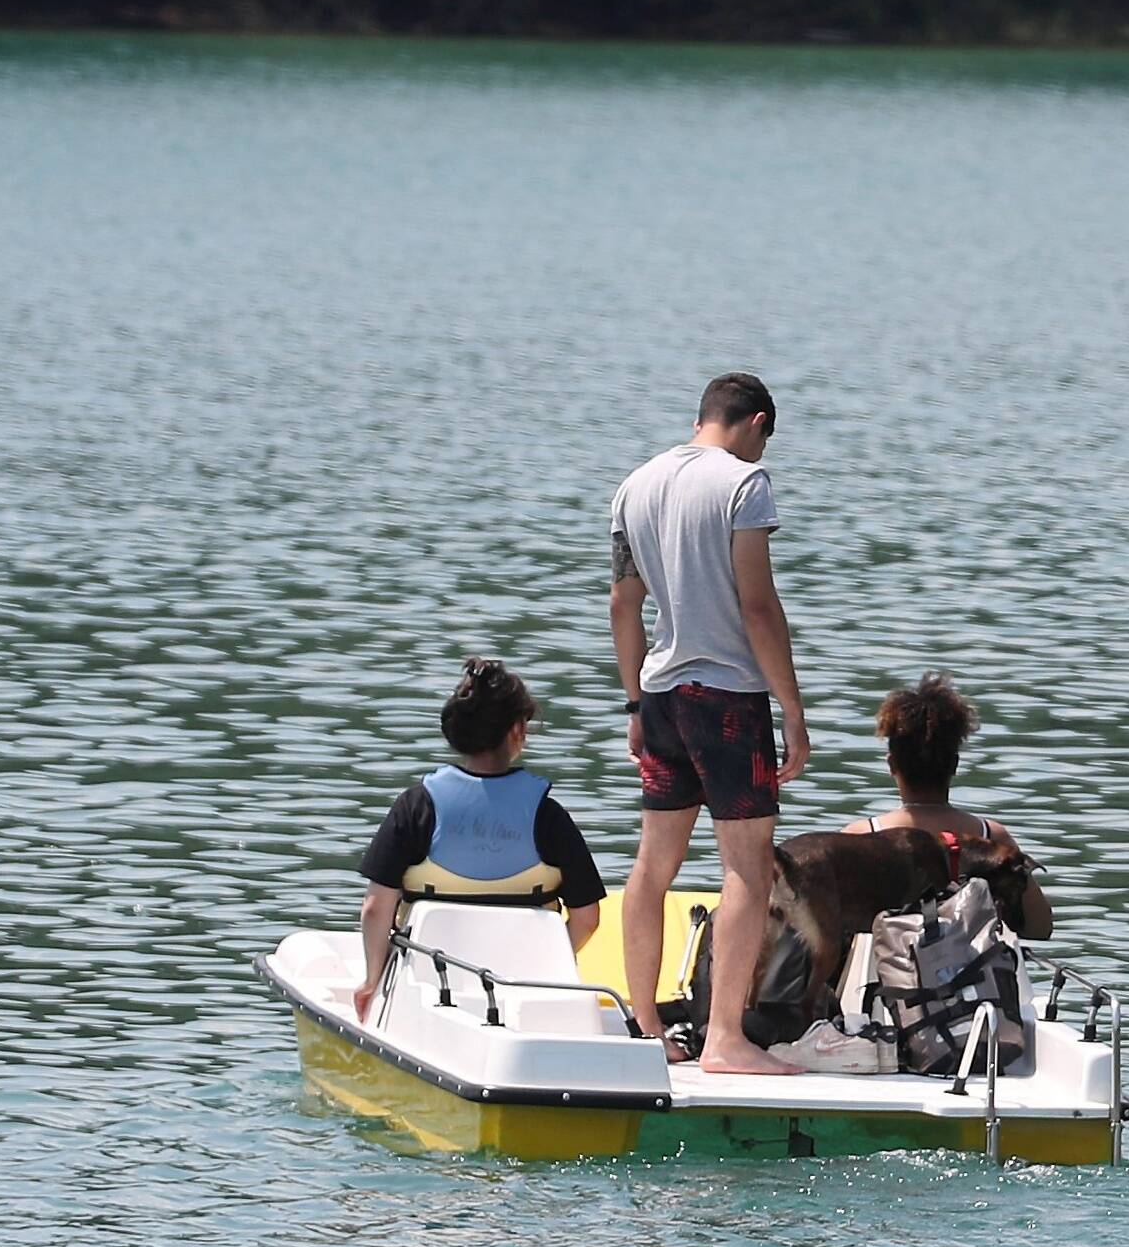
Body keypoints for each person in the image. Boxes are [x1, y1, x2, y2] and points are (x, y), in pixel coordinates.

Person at [608, 369, 812, 1075]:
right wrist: (791, 705)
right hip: (726, 697)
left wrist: (634, 703)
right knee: (748, 870)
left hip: (662, 693)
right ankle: (725, 1038)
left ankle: (645, 1027)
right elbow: (757, 602)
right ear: (756, 421)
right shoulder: (742, 485)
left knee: (652, 866)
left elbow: (623, 606)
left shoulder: (634, 485)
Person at [348, 658, 608, 1023]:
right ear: (518, 731)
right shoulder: (548, 816)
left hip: (425, 987)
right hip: (526, 989)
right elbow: (587, 918)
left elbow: (376, 909)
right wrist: (549, 962)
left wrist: (371, 980)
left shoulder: (416, 806)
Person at [851, 671, 1025, 866]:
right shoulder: (993, 838)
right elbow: (1035, 897)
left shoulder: (860, 837)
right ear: (954, 765)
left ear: (891, 764)